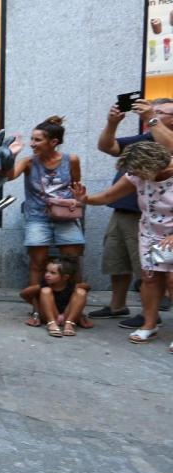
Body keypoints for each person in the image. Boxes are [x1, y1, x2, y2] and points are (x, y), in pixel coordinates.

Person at [73, 141, 173, 351]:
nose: (136, 176)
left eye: (138, 171)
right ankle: (150, 324)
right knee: (150, 278)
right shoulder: (136, 175)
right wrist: (86, 199)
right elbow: (110, 196)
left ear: (152, 166)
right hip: (150, 233)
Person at [90, 98, 173, 328]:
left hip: (154, 219)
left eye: (159, 111)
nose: (151, 112)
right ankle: (117, 305)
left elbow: (171, 149)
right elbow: (107, 147)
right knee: (117, 260)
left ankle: (150, 315)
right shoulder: (144, 138)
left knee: (148, 271)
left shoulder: (162, 137)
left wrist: (150, 118)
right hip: (123, 207)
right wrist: (112, 124)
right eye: (151, 109)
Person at [7, 116, 89, 327]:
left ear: (53, 142)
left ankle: (77, 311)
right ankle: (37, 311)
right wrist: (11, 155)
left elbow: (76, 186)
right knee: (37, 263)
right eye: (32, 140)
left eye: (37, 140)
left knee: (73, 263)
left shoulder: (71, 160)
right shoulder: (28, 162)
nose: (32, 144)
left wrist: (78, 199)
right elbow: (9, 176)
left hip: (65, 216)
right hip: (37, 218)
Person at [19, 258, 87, 338]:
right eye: (46, 271)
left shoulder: (71, 285)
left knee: (81, 292)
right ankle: (52, 324)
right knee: (45, 290)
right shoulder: (44, 285)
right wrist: (38, 307)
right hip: (49, 316)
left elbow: (87, 287)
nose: (47, 275)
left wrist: (80, 313)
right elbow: (24, 294)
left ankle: (69, 324)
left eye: (52, 273)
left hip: (67, 315)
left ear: (65, 277)